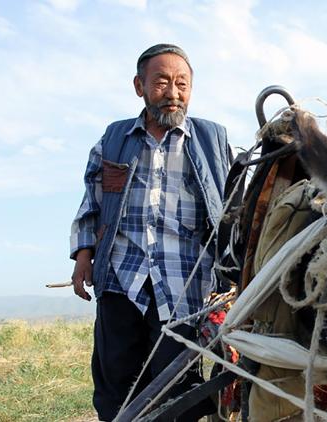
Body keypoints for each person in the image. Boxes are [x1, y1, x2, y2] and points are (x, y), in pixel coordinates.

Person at [69, 44, 230, 421]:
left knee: (179, 392)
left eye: (182, 84)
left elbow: (235, 205)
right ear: (139, 86)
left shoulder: (212, 141)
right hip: (120, 278)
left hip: (185, 287)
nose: (173, 93)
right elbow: (90, 203)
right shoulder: (113, 140)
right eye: (161, 83)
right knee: (116, 387)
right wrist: (82, 256)